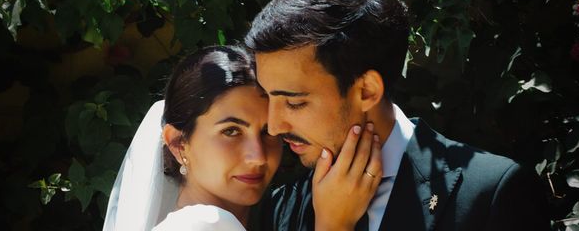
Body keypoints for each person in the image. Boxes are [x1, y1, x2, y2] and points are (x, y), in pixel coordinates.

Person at [245, 0, 551, 231]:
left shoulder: (490, 192)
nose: (274, 126)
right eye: (268, 97)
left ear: (367, 91)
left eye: (295, 102)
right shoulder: (282, 206)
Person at [103, 45, 381, 231]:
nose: (258, 156)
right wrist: (334, 225)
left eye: (267, 132)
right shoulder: (205, 225)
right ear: (178, 143)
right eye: (231, 131)